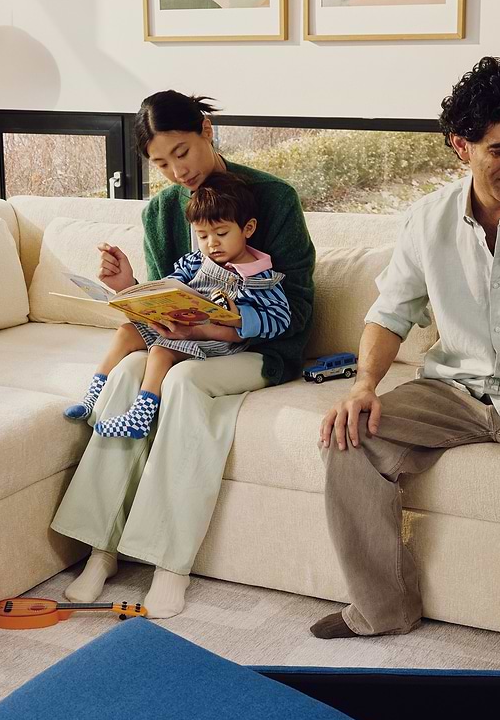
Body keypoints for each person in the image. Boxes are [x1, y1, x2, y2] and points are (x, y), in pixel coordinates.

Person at [312, 57, 500, 677]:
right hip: (451, 390)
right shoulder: (426, 220)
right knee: (348, 436)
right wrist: (365, 385)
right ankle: (380, 609)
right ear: (462, 146)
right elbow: (390, 312)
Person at [51, 92, 315, 618]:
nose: (178, 172)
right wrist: (131, 290)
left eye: (182, 152)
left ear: (206, 130)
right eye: (161, 163)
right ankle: (101, 549)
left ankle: (171, 564)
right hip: (186, 343)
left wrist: (221, 322)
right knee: (129, 371)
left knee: (184, 383)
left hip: (260, 350)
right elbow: (166, 294)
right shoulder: (160, 212)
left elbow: (298, 309)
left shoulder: (273, 197)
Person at [65, 172, 292, 440]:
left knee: (161, 351)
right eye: (203, 236)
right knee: (126, 332)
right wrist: (142, 298)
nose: (212, 244)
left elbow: (280, 318)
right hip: (178, 327)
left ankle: (140, 416)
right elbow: (167, 287)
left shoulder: (260, 277)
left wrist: (239, 317)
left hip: (218, 343)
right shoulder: (194, 262)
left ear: (248, 228)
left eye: (221, 233)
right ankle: (92, 397)